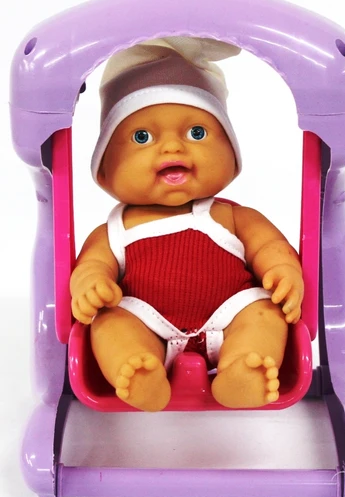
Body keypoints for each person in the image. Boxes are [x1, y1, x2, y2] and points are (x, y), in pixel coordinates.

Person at [70, 37, 304, 412]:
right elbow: (91, 266)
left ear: (231, 156)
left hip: (231, 313)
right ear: (104, 170)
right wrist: (90, 286)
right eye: (142, 137)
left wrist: (282, 271)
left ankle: (243, 369)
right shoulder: (112, 231)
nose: (172, 148)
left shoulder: (232, 216)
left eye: (197, 133)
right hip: (146, 321)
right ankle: (138, 371)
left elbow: (269, 247)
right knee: (110, 323)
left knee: (264, 313)